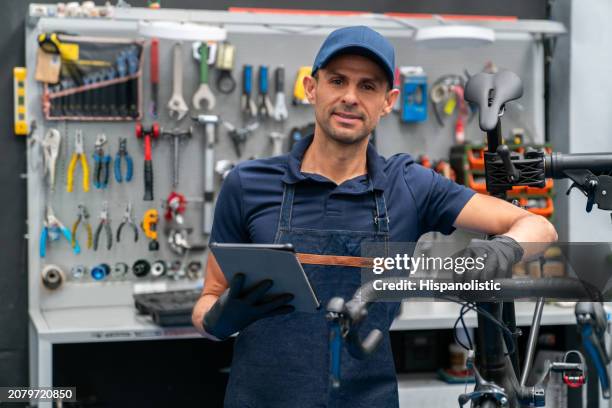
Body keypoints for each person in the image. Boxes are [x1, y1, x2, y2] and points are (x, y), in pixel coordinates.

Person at [192, 25, 557, 408]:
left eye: (368, 86)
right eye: (337, 81)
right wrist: (220, 317)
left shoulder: (410, 185)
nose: (350, 97)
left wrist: (498, 254)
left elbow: (538, 226)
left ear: (388, 101)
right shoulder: (248, 185)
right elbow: (208, 301)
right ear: (311, 88)